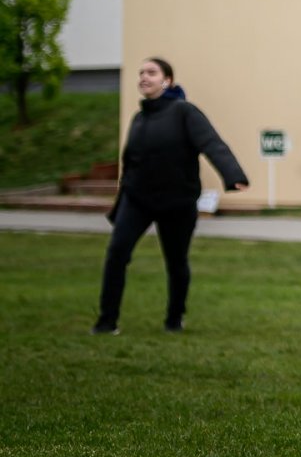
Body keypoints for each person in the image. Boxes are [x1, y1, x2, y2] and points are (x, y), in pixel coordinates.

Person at [93, 57, 249, 335]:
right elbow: (130, 163)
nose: (143, 77)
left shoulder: (184, 112)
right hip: (138, 199)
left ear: (168, 80)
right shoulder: (139, 118)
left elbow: (211, 142)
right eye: (141, 72)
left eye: (151, 72)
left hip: (177, 202)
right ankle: (107, 321)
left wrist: (233, 175)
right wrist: (121, 203)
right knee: (117, 253)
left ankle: (174, 319)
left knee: (176, 262)